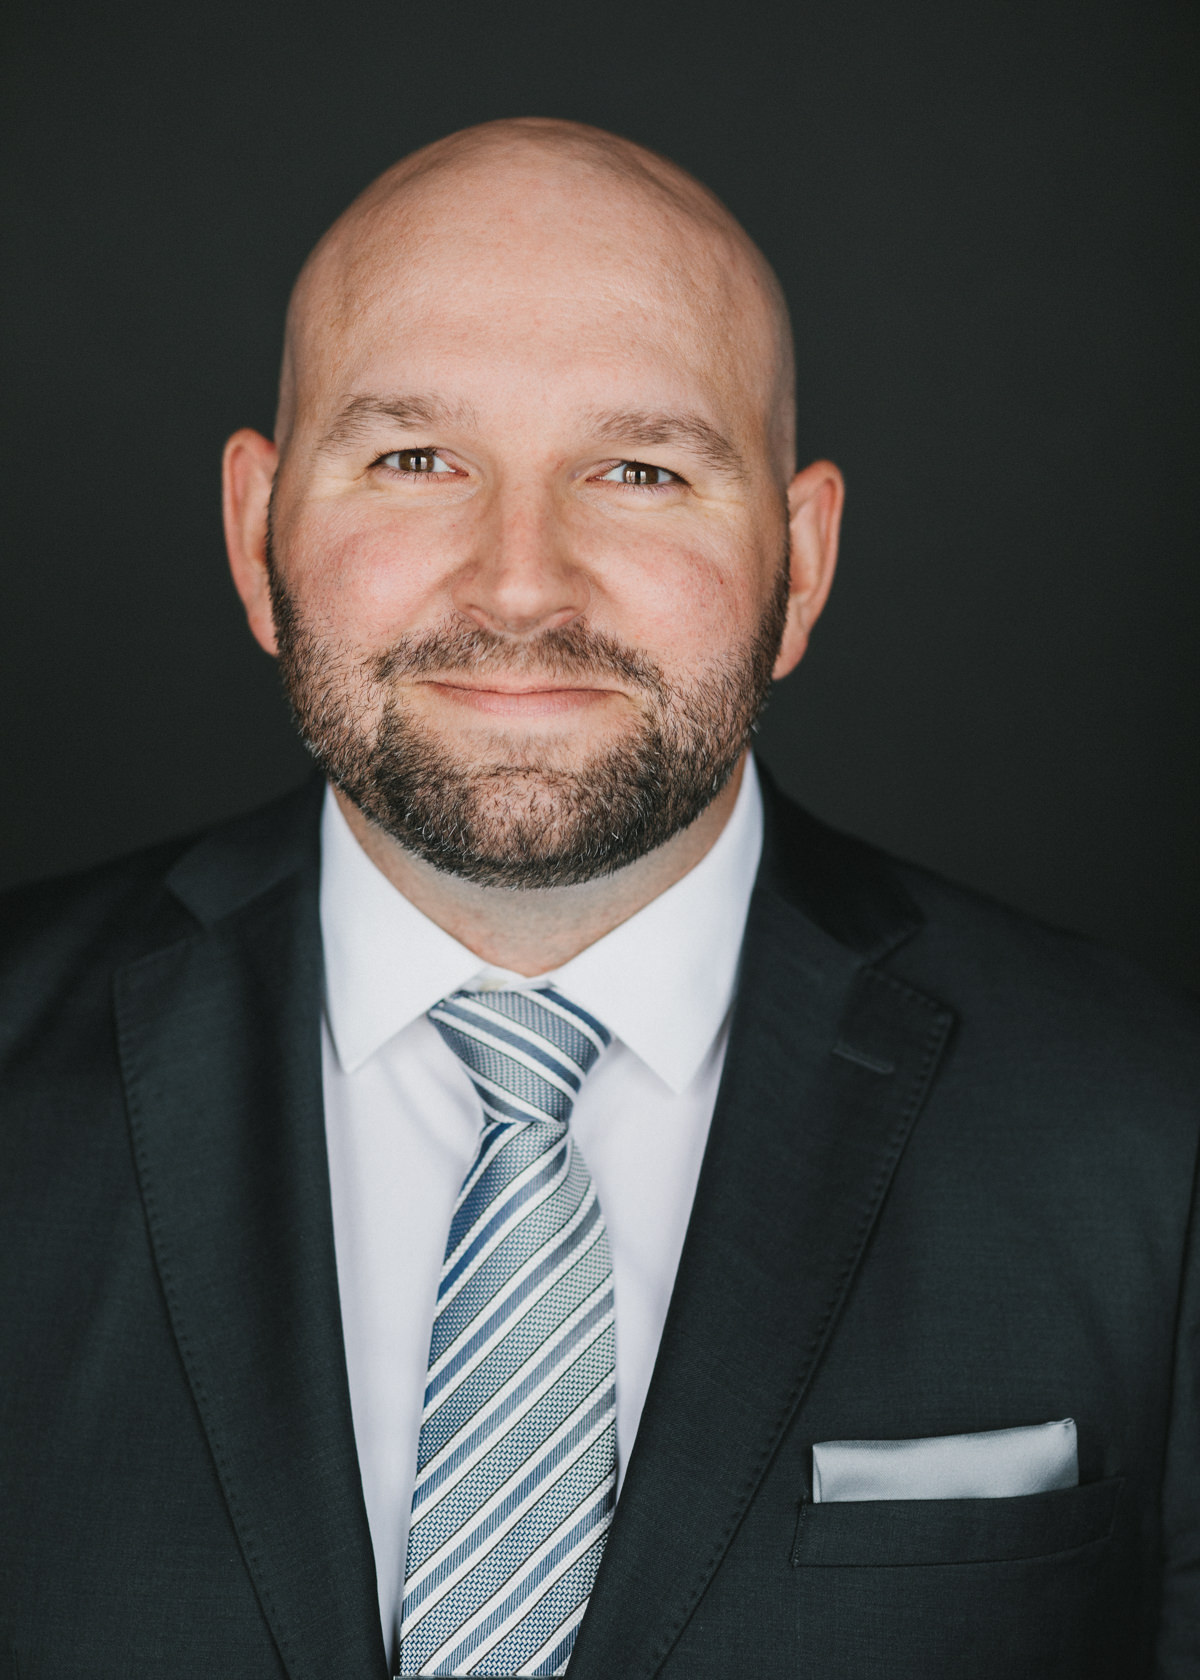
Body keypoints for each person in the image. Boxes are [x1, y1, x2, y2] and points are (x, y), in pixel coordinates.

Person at [1, 116, 1197, 1680]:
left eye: (638, 469)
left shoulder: (1152, 1128)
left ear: (804, 559)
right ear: (256, 528)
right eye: (417, 459)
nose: (518, 585)